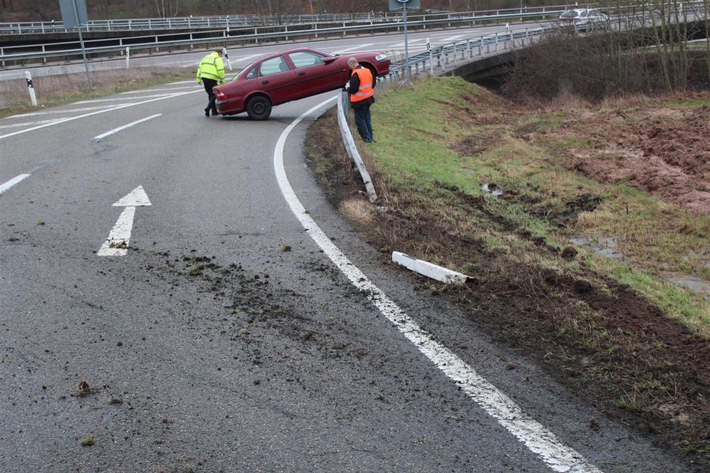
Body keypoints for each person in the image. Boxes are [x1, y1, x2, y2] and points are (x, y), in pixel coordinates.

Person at [345, 57, 375, 143]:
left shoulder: (356, 74)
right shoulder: (367, 70)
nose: (350, 68)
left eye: (349, 66)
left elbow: (353, 90)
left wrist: (347, 88)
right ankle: (370, 137)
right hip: (368, 98)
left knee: (360, 120)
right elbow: (372, 84)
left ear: (352, 64)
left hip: (359, 101)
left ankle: (367, 139)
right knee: (367, 119)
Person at [196, 49, 225, 117]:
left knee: (210, 94)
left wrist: (198, 79)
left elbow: (200, 68)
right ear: (219, 53)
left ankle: (213, 111)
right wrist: (222, 80)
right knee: (215, 94)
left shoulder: (205, 57)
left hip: (204, 77)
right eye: (222, 55)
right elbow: (220, 70)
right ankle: (208, 108)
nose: (222, 56)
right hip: (212, 78)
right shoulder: (217, 58)